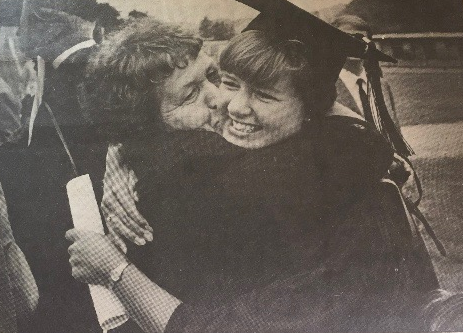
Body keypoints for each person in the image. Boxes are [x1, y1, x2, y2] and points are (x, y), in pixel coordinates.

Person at [67, 1, 439, 332]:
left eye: (215, 77)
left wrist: (115, 269)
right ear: (146, 127)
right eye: (190, 94)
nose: (224, 102)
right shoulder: (186, 194)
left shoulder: (329, 169)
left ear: (312, 107)